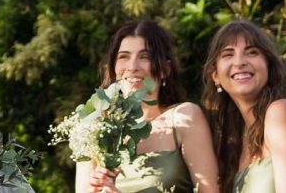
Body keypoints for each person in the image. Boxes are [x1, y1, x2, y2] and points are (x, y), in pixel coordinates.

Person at [76, 20, 219, 193]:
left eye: (145, 57)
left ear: (165, 68)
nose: (132, 67)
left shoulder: (184, 117)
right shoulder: (94, 129)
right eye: (124, 57)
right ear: (114, 68)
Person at [203, 20, 286, 193]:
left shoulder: (282, 114)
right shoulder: (233, 144)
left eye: (251, 52)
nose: (239, 62)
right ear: (215, 76)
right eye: (228, 54)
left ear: (268, 65)